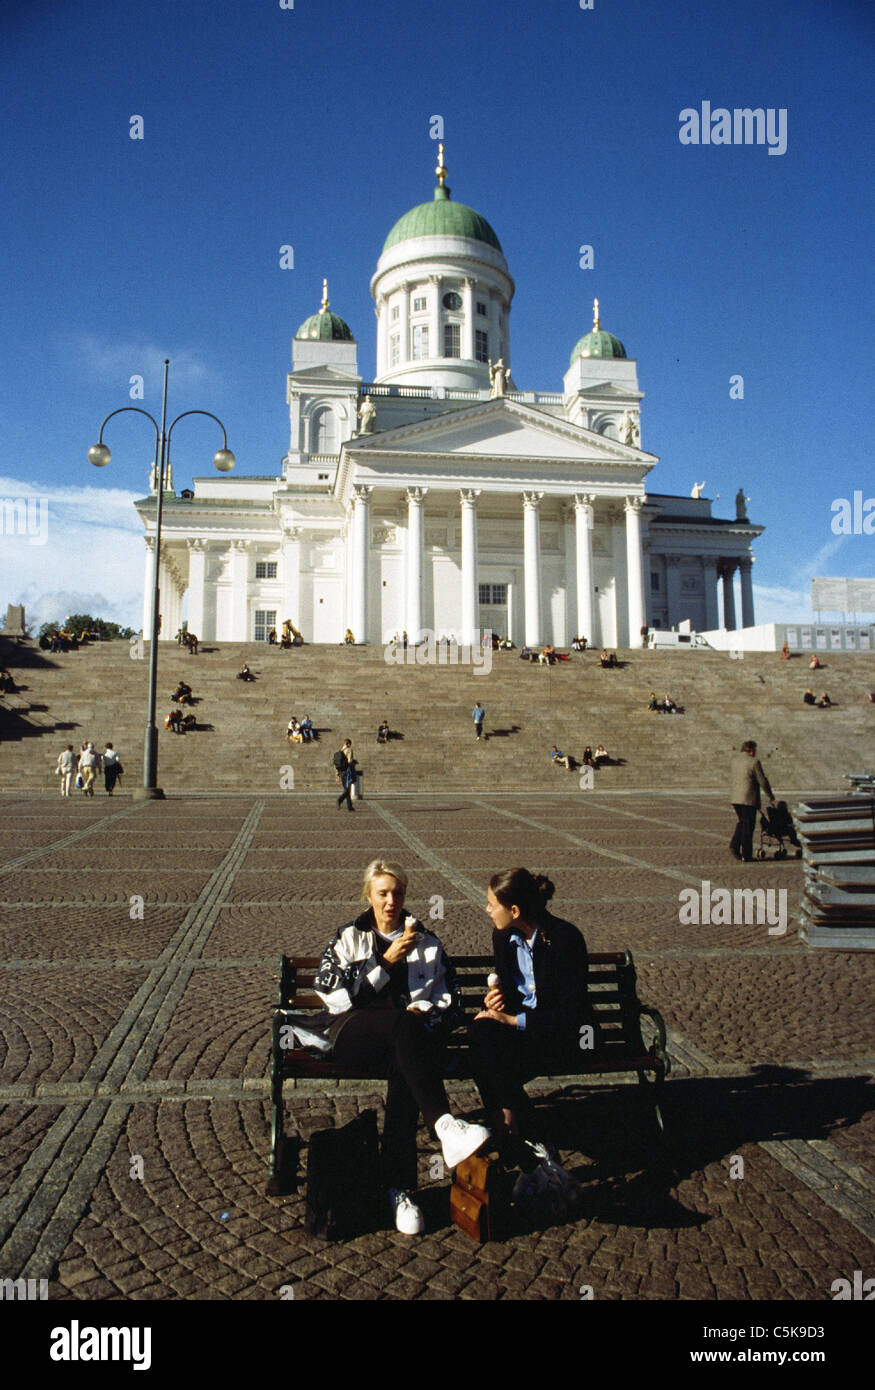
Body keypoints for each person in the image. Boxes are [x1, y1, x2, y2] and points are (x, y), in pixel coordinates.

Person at [311, 860, 489, 1233]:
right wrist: (384, 964)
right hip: (352, 1038)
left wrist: (427, 1014)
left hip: (408, 1049)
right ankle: (443, 1124)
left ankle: (400, 1190)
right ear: (368, 896)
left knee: (405, 1059)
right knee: (403, 1031)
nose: (391, 901)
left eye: (398, 893)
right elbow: (337, 1000)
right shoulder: (348, 938)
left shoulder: (427, 941)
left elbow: (452, 1005)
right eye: (383, 894)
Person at [468, 869, 589, 1168]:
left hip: (565, 1037)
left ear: (515, 910)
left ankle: (513, 1131)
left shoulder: (564, 939)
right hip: (527, 1034)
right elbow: (511, 991)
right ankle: (517, 1128)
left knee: (488, 1061)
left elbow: (571, 1016)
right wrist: (498, 1001)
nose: (487, 910)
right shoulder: (503, 935)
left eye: (491, 904)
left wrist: (512, 1021)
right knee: (480, 1031)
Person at [729, 739, 775, 863]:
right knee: (748, 826)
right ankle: (747, 855)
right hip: (748, 798)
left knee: (742, 822)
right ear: (751, 750)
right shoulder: (754, 762)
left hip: (735, 798)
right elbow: (762, 781)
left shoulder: (735, 761)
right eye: (755, 750)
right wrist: (770, 795)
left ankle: (734, 845)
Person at [335, 739, 357, 811]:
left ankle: (349, 807)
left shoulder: (339, 752)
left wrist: (337, 775)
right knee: (348, 789)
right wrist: (354, 762)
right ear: (349, 744)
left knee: (346, 788)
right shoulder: (349, 750)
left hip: (341, 772)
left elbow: (336, 765)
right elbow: (349, 761)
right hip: (347, 772)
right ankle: (340, 799)